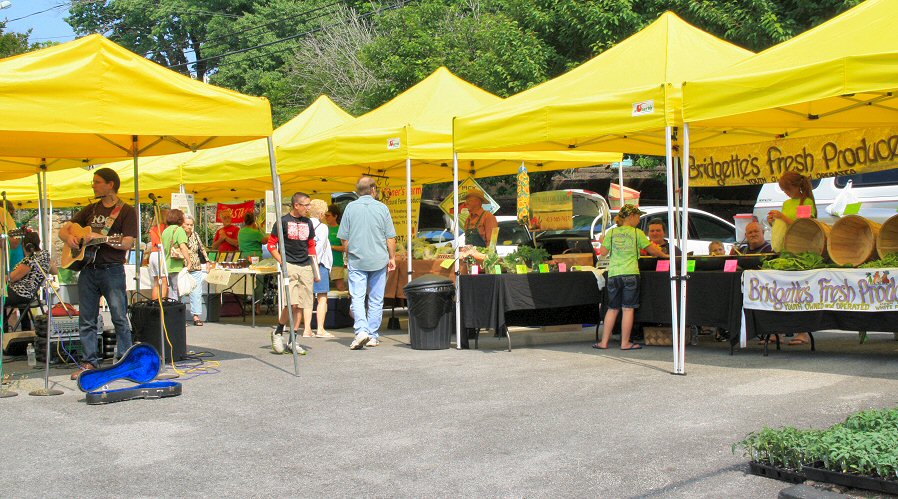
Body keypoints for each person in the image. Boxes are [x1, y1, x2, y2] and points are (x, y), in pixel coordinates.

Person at [59, 168, 137, 378]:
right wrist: (70, 239)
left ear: (110, 184)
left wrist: (100, 238)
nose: (93, 185)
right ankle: (89, 363)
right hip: (88, 269)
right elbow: (64, 229)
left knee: (119, 316)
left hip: (112, 269)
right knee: (87, 318)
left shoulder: (127, 211)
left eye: (97, 181)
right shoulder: (90, 209)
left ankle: (125, 362)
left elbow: (128, 242)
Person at [593, 204, 668, 351]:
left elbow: (603, 252)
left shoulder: (612, 233)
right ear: (631, 217)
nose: (639, 220)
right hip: (630, 274)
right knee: (627, 309)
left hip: (614, 275)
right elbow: (652, 250)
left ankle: (603, 342)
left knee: (612, 308)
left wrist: (603, 241)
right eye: (638, 217)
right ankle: (625, 343)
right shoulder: (636, 233)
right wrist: (665, 255)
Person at [339, 177, 396, 350]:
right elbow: (390, 238)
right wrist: (392, 257)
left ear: (357, 191)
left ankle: (361, 331)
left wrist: (349, 253)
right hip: (379, 259)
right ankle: (372, 335)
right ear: (373, 190)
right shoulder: (382, 208)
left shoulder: (349, 208)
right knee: (376, 299)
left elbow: (344, 238)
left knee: (357, 296)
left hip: (357, 259)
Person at [268, 192, 318, 355]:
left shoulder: (308, 222)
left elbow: (311, 245)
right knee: (292, 303)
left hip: (306, 266)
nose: (308, 209)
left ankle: (293, 339)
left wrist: (315, 268)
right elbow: (271, 245)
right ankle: (278, 331)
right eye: (306, 205)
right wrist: (282, 262)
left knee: (303, 305)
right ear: (297, 205)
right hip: (290, 264)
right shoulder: (282, 222)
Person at [6, 231, 56, 330]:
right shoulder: (44, 256)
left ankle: (4, 329)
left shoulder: (29, 260)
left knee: (1, 297)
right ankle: (25, 329)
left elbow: (11, 278)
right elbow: (55, 271)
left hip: (21, 293)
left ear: (25, 245)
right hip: (30, 293)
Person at [309, 199, 335, 338]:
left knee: (307, 298)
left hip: (305, 264)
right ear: (320, 213)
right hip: (319, 264)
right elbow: (319, 248)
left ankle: (307, 329)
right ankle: (320, 328)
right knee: (322, 297)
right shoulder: (323, 228)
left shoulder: (304, 225)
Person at [238, 212, 270, 314]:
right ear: (254, 221)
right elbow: (266, 240)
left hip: (243, 257)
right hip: (255, 258)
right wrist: (260, 229)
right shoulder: (256, 233)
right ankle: (257, 307)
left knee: (245, 281)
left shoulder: (241, 232)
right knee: (258, 282)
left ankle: (242, 305)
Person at [182, 215, 209, 326]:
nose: (189, 227)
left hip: (196, 266)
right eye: (187, 224)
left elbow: (201, 248)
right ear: (182, 224)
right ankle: (180, 316)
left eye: (191, 225)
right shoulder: (180, 235)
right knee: (182, 292)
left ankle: (196, 316)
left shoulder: (195, 235)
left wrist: (207, 261)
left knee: (196, 292)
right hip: (183, 267)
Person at [161, 209, 191, 300]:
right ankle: (176, 310)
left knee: (171, 290)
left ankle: (172, 310)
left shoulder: (165, 231)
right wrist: (189, 261)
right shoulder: (179, 230)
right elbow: (183, 247)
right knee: (176, 291)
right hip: (176, 265)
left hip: (167, 264)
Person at [146, 207, 170, 300]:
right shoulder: (165, 228)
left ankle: (154, 303)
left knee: (156, 282)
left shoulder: (153, 228)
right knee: (164, 282)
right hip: (161, 254)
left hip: (153, 254)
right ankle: (163, 304)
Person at [325, 204, 347, 292]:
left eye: (328, 216)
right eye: (325, 215)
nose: (326, 218)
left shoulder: (340, 229)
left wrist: (332, 247)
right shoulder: (324, 228)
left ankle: (344, 304)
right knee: (323, 289)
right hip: (324, 263)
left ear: (335, 216)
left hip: (336, 262)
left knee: (340, 287)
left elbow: (345, 248)